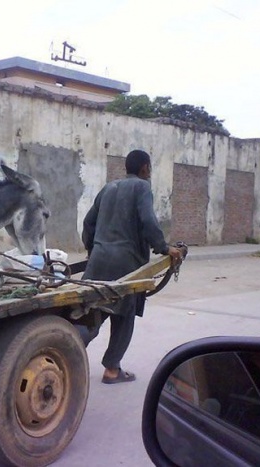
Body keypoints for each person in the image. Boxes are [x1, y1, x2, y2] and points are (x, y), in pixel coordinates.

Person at [81, 149, 182, 384]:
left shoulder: (108, 188)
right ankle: (112, 369)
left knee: (92, 312)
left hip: (98, 260)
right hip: (127, 264)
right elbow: (148, 221)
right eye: (150, 169)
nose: (150, 172)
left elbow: (88, 223)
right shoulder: (142, 188)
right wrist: (165, 248)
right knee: (124, 315)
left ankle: (65, 348)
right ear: (145, 168)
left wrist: (93, 250)